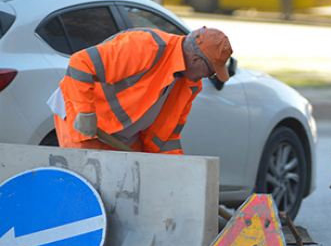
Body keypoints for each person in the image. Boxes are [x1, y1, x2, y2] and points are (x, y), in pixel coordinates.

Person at [49, 26, 233, 154]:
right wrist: (86, 113)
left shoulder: (190, 85)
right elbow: (80, 63)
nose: (209, 77)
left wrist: (176, 170)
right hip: (86, 122)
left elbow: (167, 137)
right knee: (93, 193)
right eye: (211, 71)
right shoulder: (147, 47)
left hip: (122, 136)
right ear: (195, 60)